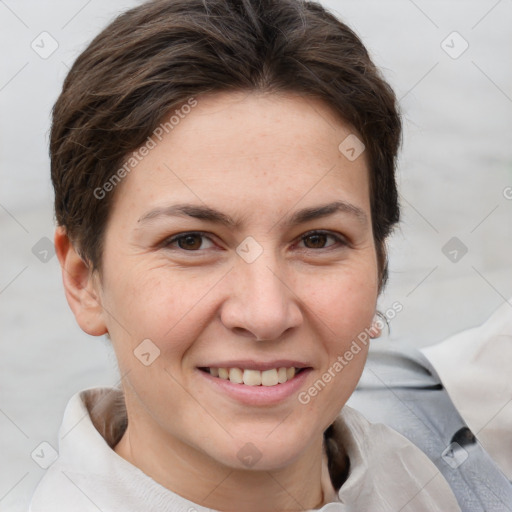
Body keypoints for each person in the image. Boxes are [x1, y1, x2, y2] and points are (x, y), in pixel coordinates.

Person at [28, 0, 461, 510]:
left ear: (380, 265)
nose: (265, 314)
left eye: (319, 239)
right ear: (83, 281)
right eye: (190, 241)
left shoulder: (423, 481)